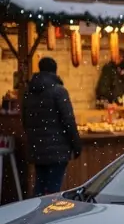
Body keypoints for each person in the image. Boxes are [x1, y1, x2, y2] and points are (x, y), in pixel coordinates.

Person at [21, 57, 81, 196]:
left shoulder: (28, 92)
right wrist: (76, 145)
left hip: (38, 149)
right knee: (53, 190)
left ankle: (38, 214)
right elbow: (68, 121)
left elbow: (25, 121)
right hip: (57, 151)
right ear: (55, 71)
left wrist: (34, 139)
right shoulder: (59, 92)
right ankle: (50, 215)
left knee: (40, 186)